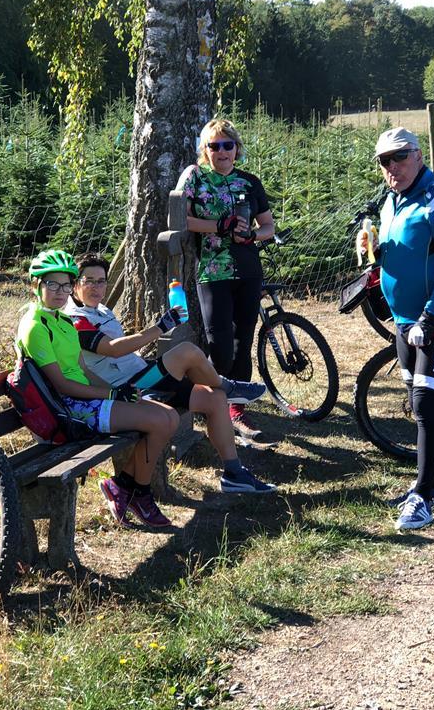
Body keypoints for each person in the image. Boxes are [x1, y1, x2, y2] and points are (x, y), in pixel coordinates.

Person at [64, 254, 277, 494]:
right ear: (75, 284)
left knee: (215, 399)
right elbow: (114, 350)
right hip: (130, 390)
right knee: (186, 352)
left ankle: (234, 474)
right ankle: (229, 387)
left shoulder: (101, 310)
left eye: (101, 281)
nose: (96, 287)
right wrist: (161, 327)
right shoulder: (74, 320)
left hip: (141, 374)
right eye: (88, 281)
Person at [358, 128, 434, 532]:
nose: (392, 167)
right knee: (418, 398)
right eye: (384, 161)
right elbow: (399, 252)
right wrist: (372, 252)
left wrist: (431, 316)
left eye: (399, 157)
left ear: (418, 155)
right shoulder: (391, 202)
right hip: (404, 320)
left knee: (424, 401)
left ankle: (421, 496)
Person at [15, 249, 179, 528]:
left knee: (171, 417)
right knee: (157, 422)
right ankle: (139, 493)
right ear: (36, 285)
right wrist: (112, 394)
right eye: (51, 284)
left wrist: (119, 392)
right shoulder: (35, 326)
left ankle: (125, 486)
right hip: (67, 410)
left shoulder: (63, 320)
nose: (60, 292)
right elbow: (63, 385)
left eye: (65, 285)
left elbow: (85, 371)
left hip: (86, 399)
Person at [177, 118, 275, 441]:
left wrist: (253, 236)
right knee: (219, 346)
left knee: (243, 340)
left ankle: (235, 412)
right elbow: (181, 218)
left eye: (227, 145)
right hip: (213, 272)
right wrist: (220, 226)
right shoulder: (195, 177)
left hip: (247, 270)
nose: (221, 151)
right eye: (214, 146)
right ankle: (207, 400)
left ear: (237, 149)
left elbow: (268, 228)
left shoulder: (249, 182)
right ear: (205, 150)